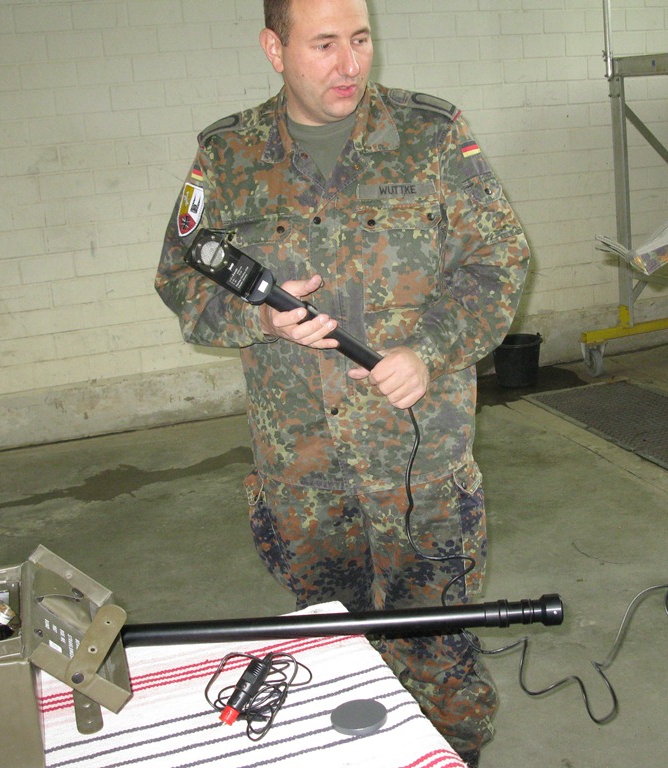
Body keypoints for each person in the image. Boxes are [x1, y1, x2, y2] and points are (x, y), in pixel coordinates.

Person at [155, 0, 530, 763]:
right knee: (333, 648)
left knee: (439, 655)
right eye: (324, 44)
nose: (350, 63)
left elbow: (500, 262)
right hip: (304, 473)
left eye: (359, 39)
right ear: (275, 48)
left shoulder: (430, 135)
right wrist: (259, 319)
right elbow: (180, 280)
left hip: (418, 467)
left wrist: (428, 349)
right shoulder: (227, 156)